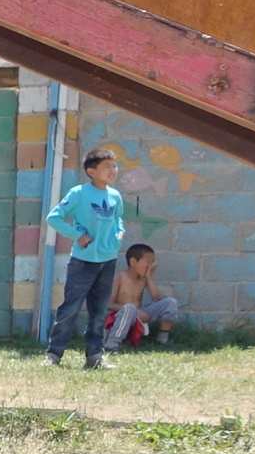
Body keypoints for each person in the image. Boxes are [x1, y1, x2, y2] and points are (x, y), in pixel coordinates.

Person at [45, 150, 126, 369]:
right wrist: (77, 236)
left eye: (114, 166)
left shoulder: (115, 196)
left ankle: (94, 357)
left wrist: (119, 234)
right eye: (107, 166)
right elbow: (54, 217)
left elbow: (118, 219)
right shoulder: (79, 193)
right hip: (83, 261)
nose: (113, 170)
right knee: (70, 309)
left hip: (107, 260)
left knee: (99, 312)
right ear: (92, 171)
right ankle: (53, 356)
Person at [109, 243, 177, 347]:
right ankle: (113, 343)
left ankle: (162, 339)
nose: (151, 266)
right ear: (133, 262)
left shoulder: (144, 279)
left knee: (170, 303)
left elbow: (157, 298)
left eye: (152, 262)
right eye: (147, 262)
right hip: (122, 316)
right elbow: (109, 305)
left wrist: (149, 277)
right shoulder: (119, 278)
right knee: (130, 308)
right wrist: (135, 311)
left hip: (140, 316)